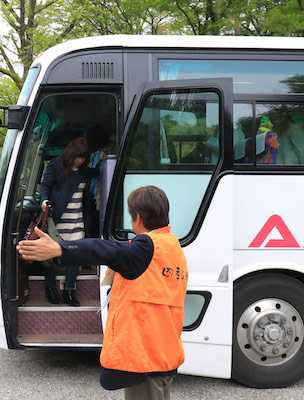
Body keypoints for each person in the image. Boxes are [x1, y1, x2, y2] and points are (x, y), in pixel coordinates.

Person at [17, 186, 188, 399]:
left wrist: (60, 249)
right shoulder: (171, 246)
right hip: (163, 351)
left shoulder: (146, 246)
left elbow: (105, 249)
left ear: (137, 218)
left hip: (145, 358)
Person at [39, 136, 98, 307]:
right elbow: (45, 186)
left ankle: (69, 291)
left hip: (77, 220)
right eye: (78, 157)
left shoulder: (84, 170)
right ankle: (50, 289)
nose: (80, 161)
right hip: (57, 219)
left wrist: (108, 160)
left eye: (83, 158)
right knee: (51, 255)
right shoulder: (56, 165)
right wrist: (43, 200)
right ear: (71, 153)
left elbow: (99, 171)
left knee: (75, 256)